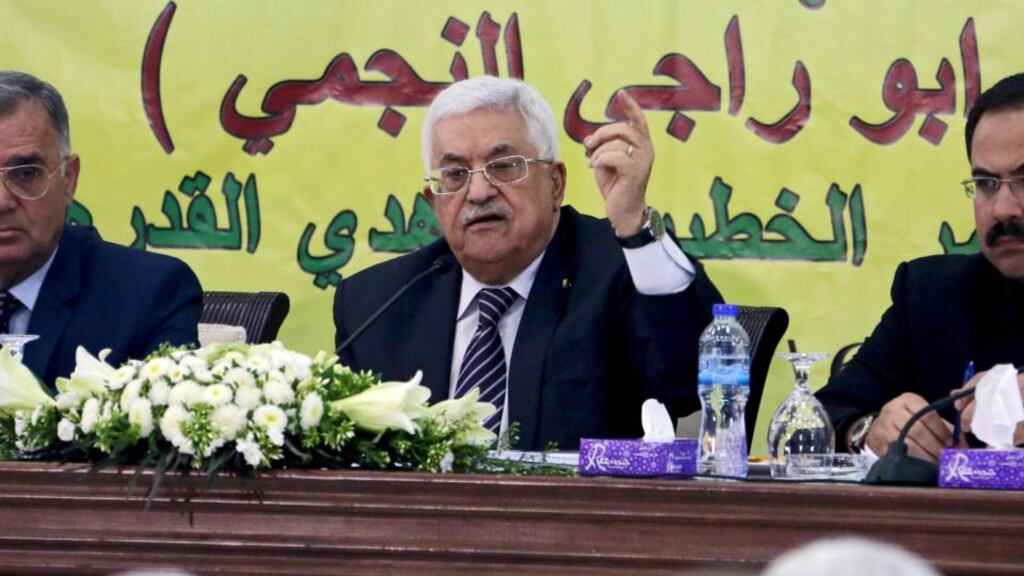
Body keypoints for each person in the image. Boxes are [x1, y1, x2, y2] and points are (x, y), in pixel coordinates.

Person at [334, 76, 721, 450]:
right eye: (455, 174)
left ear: (555, 182)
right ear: (434, 201)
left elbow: (691, 384)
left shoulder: (619, 271)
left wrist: (635, 226)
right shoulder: (376, 304)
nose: (479, 191)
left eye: (504, 166)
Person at [817, 72, 1024, 462]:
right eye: (986, 183)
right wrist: (869, 431)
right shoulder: (933, 294)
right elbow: (820, 418)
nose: (1003, 209)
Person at [0, 71, 202, 385]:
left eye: (26, 174)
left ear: (68, 178)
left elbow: (160, 427)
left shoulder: (148, 294)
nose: (2, 202)